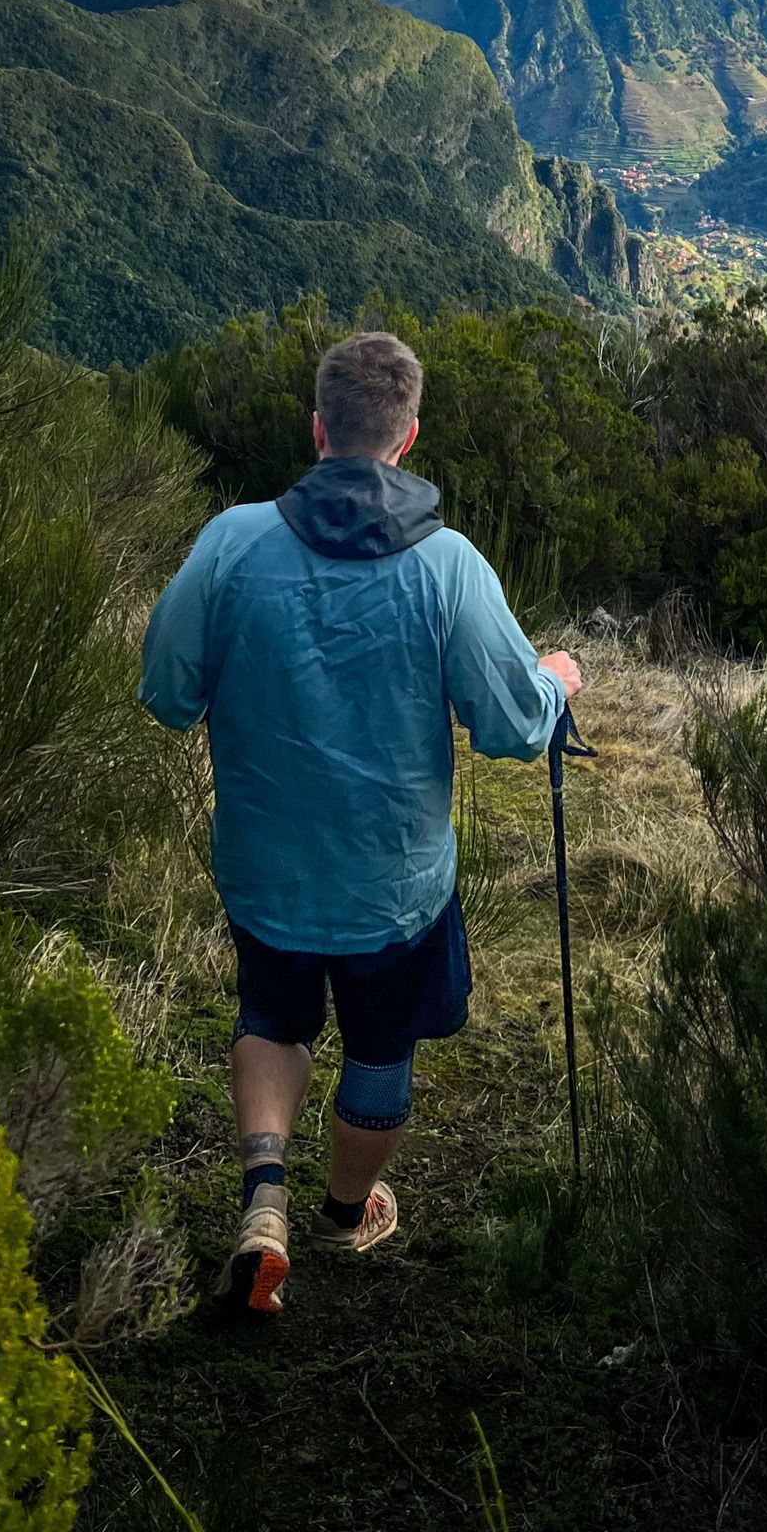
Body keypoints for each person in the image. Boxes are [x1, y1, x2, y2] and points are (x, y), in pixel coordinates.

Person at [140, 329, 582, 1317]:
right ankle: (344, 1209)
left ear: (316, 427)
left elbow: (166, 693)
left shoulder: (229, 543)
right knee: (379, 1049)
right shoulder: (449, 566)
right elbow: (512, 729)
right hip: (396, 888)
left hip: (264, 866)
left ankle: (264, 1198)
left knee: (272, 1020)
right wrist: (556, 681)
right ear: (408, 437)